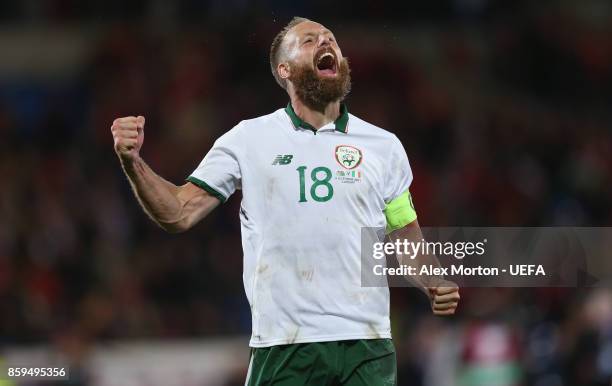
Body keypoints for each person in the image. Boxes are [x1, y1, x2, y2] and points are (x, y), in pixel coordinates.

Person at [110, 16, 460, 386]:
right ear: (285, 69)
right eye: (310, 40)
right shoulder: (248, 140)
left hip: (367, 346)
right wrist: (133, 162)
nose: (326, 43)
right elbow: (179, 212)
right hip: (286, 344)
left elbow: (404, 234)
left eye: (331, 40)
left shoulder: (384, 146)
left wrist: (432, 279)